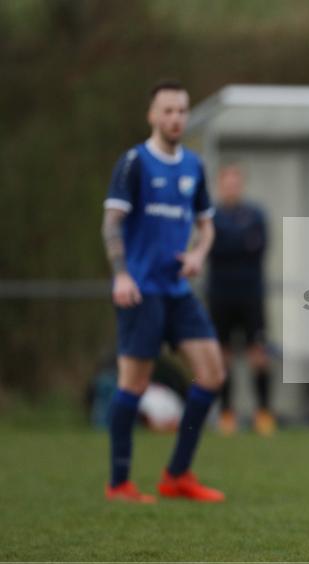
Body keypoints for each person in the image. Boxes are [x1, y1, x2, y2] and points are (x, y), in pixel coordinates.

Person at [101, 80, 225, 503]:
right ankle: (119, 483)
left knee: (212, 374)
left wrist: (198, 254)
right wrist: (120, 274)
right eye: (167, 111)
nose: (175, 118)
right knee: (132, 385)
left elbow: (206, 224)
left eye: (181, 111)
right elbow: (112, 224)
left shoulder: (193, 166)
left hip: (178, 290)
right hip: (141, 291)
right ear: (152, 116)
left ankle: (176, 474)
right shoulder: (134, 162)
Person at [206, 164, 274, 436]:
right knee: (222, 356)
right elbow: (213, 249)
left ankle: (264, 413)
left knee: (258, 354)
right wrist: (236, 244)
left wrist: (228, 245)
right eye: (227, 183)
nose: (231, 187)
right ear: (220, 186)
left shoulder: (255, 214)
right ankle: (226, 414)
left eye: (236, 182)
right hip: (220, 294)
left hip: (251, 294)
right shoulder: (211, 216)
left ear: (241, 185)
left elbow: (257, 248)